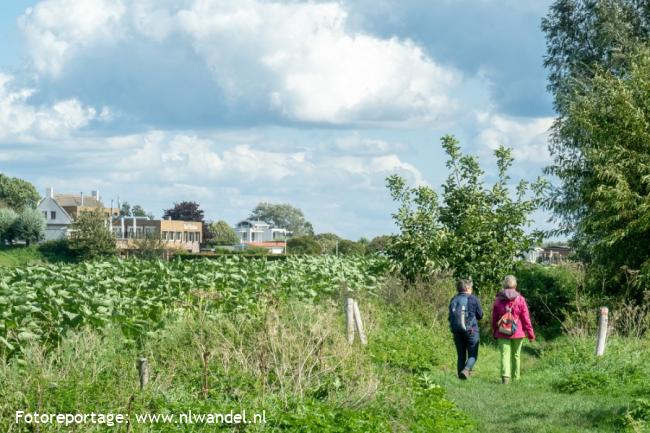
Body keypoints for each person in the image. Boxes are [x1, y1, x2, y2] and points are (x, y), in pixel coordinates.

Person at [491, 275, 535, 384]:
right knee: (516, 355)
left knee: (505, 355)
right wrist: (530, 334)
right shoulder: (520, 299)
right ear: (515, 285)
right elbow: (526, 318)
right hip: (518, 332)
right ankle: (516, 377)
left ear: (504, 285)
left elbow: (494, 318)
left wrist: (494, 331)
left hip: (502, 332)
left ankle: (505, 377)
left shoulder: (498, 299)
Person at [448, 278, 483, 380]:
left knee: (461, 355)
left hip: (457, 331)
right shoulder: (473, 299)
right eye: (471, 287)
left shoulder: (454, 299)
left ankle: (460, 376)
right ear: (467, 288)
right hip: (471, 331)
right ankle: (466, 370)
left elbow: (450, 317)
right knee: (472, 355)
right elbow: (480, 315)